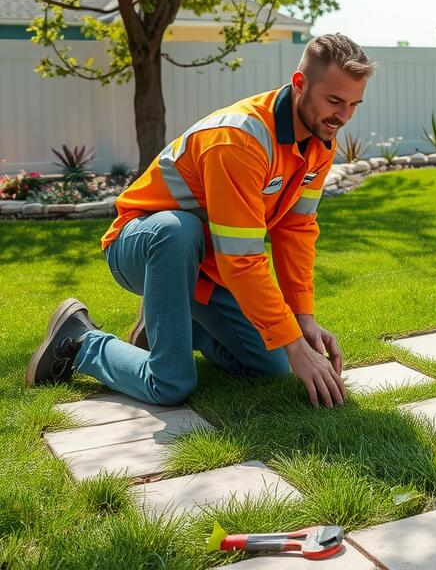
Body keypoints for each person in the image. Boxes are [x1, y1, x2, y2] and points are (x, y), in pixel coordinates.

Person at [26, 33, 374, 409]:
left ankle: (174, 324)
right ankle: (79, 341)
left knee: (273, 366)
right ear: (300, 84)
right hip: (142, 247)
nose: (343, 116)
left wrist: (302, 320)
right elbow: (241, 259)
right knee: (170, 382)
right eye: (334, 101)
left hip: (207, 268)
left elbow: (296, 230)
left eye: (354, 104)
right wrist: (293, 343)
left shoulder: (321, 142)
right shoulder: (238, 140)